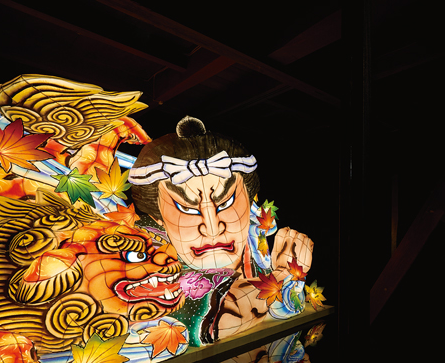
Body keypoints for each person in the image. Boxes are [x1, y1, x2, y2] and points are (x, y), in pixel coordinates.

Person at [130, 116, 314, 338]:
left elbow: (287, 309)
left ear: (249, 201)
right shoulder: (148, 260)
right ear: (158, 218)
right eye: (187, 208)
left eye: (226, 203)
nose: (212, 228)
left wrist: (292, 283)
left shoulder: (257, 242)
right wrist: (285, 274)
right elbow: (223, 321)